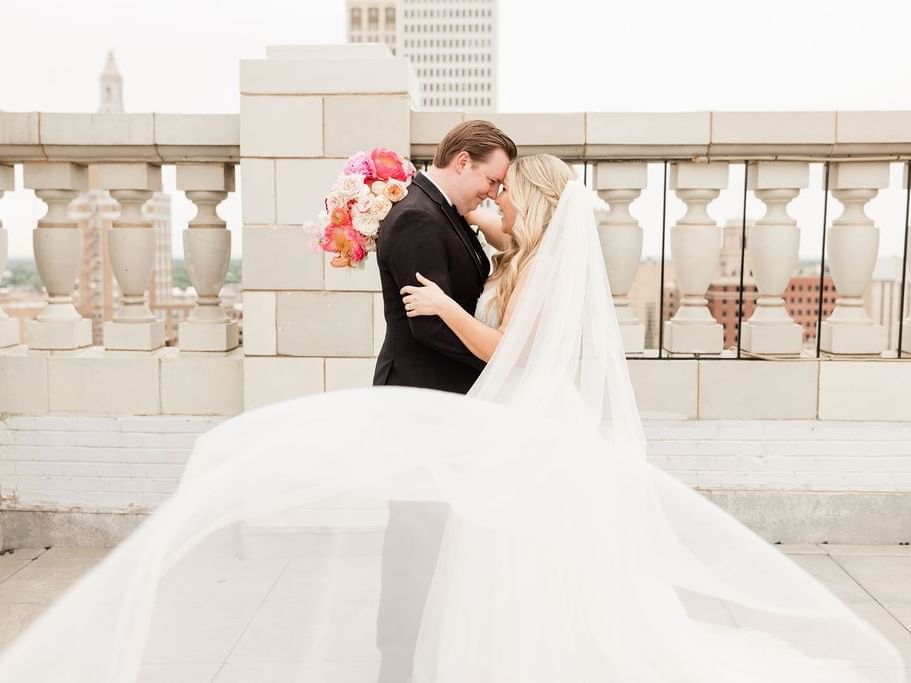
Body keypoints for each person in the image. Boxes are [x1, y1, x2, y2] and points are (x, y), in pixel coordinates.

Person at [0, 153, 903, 682]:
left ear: (535, 203)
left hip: (521, 410)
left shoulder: (536, 260)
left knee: (524, 560)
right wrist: (456, 233)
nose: (498, 206)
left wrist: (445, 307)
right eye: (492, 191)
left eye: (512, 197)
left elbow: (509, 342)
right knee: (501, 553)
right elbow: (513, 259)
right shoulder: (525, 244)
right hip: (511, 415)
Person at [372, 120, 516, 683]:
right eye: (491, 178)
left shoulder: (446, 212)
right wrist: (502, 369)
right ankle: (398, 662)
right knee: (414, 534)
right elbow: (428, 328)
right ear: (462, 161)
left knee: (440, 532)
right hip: (419, 399)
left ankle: (431, 646)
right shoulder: (415, 217)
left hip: (444, 401)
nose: (493, 191)